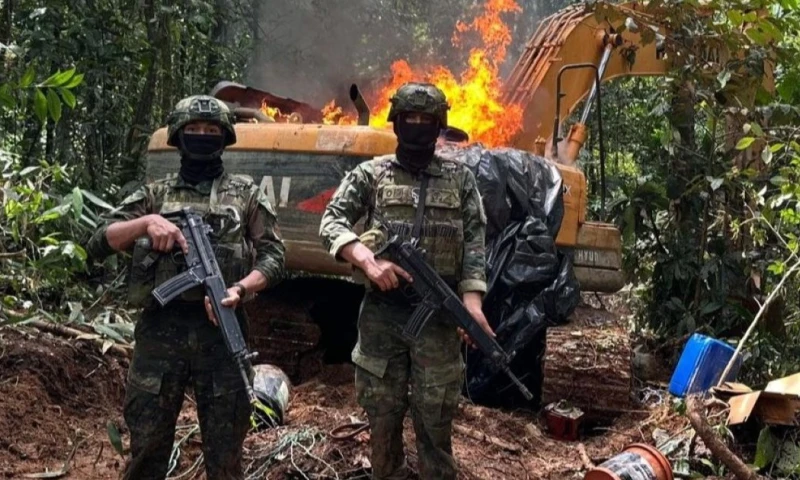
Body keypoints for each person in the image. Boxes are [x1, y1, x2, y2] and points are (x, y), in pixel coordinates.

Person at [85, 95, 285, 480]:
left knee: (226, 457)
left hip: (222, 333)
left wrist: (240, 290)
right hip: (161, 334)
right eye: (193, 130)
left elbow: (274, 257)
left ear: (225, 138)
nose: (202, 137)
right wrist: (147, 224)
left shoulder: (245, 194)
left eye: (211, 131)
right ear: (178, 137)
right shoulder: (153, 195)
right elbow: (99, 239)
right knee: (147, 450)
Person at [319, 82, 493, 480]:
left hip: (437, 321)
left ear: (439, 126)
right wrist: (367, 260)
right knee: (382, 419)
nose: (417, 126)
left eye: (426, 120)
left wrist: (472, 305)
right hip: (383, 317)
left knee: (436, 421)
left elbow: (475, 245)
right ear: (396, 123)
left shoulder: (461, 179)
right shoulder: (371, 173)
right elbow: (332, 221)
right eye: (409, 119)